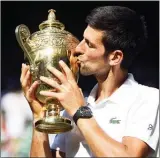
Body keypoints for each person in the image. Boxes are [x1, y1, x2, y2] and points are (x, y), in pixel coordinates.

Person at [20, 6, 159, 157]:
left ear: (115, 57)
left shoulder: (148, 99)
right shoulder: (75, 106)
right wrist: (39, 115)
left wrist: (80, 112)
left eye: (89, 44)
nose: (77, 49)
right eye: (82, 39)